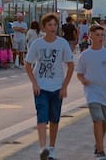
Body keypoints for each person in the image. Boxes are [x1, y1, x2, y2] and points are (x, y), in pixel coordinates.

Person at [25, 13, 74, 160]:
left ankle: (52, 148)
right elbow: (28, 65)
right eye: (49, 25)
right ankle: (43, 148)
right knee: (42, 117)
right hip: (41, 87)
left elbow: (70, 66)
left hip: (57, 87)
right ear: (44, 27)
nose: (53, 28)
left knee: (54, 119)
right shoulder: (37, 44)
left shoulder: (62, 44)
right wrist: (34, 83)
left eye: (54, 25)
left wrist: (64, 86)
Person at [76, 22, 106, 159]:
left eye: (102, 35)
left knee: (105, 121)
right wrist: (83, 81)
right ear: (91, 36)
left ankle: (98, 144)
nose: (100, 37)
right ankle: (100, 150)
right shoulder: (85, 55)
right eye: (97, 35)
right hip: (91, 93)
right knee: (97, 119)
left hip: (105, 93)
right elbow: (79, 73)